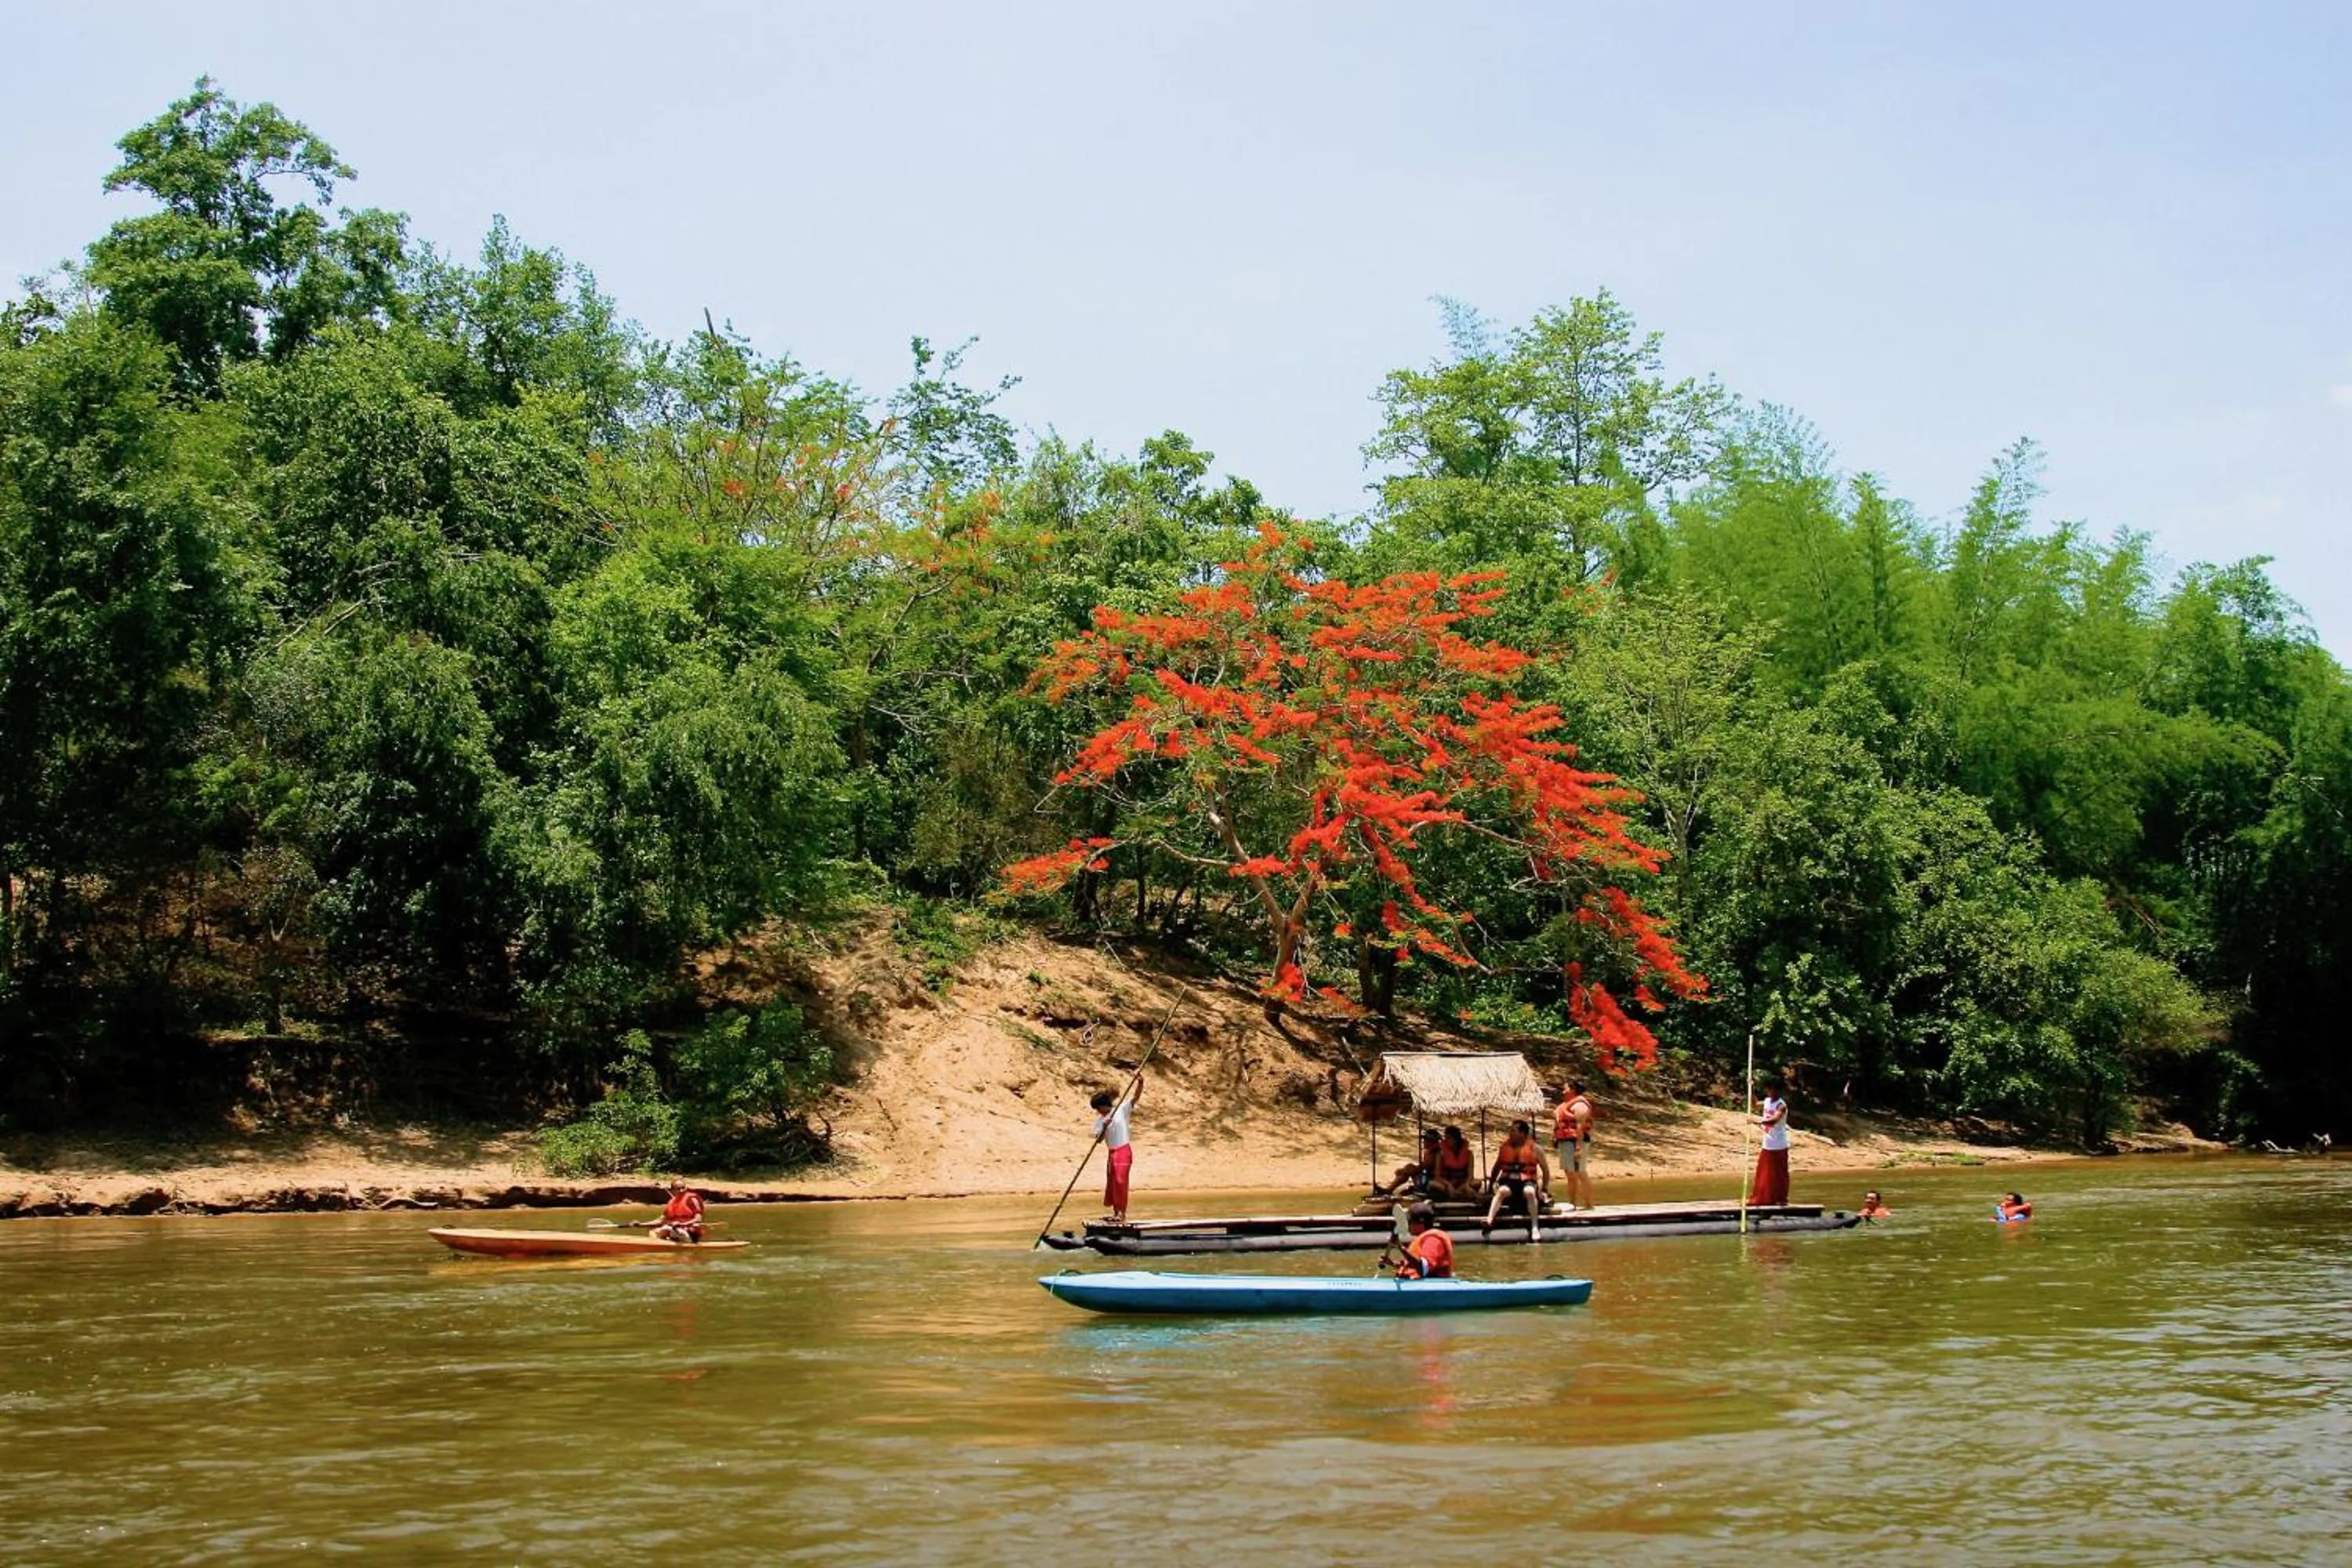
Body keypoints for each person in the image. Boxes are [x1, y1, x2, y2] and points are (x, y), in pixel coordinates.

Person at [1481, 1119, 1552, 1241]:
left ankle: (1535, 1226)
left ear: (1522, 1133)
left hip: (1527, 1181)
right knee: (1502, 1191)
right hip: (1509, 1182)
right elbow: (1497, 1168)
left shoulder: (1536, 1149)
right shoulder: (1504, 1147)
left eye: (1513, 1131)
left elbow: (1545, 1170)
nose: (1510, 1133)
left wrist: (1544, 1189)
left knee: (1530, 1192)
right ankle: (1489, 1220)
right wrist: (1490, 1186)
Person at [1091, 1076, 1142, 1223]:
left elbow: (1135, 1098)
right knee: (1112, 1183)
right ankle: (1116, 1213)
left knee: (1120, 1181)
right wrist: (1104, 1127)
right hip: (1112, 1153)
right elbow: (1099, 1140)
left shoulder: (1120, 1110)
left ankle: (1121, 1214)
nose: (1098, 1111)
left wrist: (1140, 1083)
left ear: (1105, 1105)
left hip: (1123, 1150)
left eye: (1099, 1108)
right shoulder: (1100, 1121)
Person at [1552, 1080, 1597, 1210]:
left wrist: (1578, 1147)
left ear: (1572, 1090)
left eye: (1565, 1088)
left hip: (1575, 1142)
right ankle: (1572, 1204)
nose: (1563, 1090)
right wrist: (1554, 1137)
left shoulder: (1580, 1106)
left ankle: (1589, 1205)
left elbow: (1580, 1127)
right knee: (1570, 1173)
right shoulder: (1564, 1105)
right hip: (1565, 1141)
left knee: (1580, 1172)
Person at [1747, 1084, 1791, 1207]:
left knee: (1779, 1174)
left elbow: (1774, 1120)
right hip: (1767, 1143)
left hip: (1779, 1144)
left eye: (1771, 1089)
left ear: (1777, 1090)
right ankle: (1764, 1198)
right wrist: (1751, 1089)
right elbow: (1755, 1105)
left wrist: (1756, 1121)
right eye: (1768, 1089)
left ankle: (1780, 1198)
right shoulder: (1767, 1101)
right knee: (1764, 1173)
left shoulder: (1781, 1106)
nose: (1769, 1091)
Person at [1389, 1200, 1456, 1280]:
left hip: (1430, 1285)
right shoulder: (1425, 1238)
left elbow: (1424, 1269)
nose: (1407, 1225)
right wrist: (1392, 1263)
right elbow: (1416, 1266)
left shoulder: (1433, 1240)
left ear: (1421, 1222)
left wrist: (1401, 1248)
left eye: (1410, 1222)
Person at [1377, 1128, 1443, 1197]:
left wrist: (1406, 1170)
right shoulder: (1431, 1151)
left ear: (1431, 1141)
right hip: (1426, 1176)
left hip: (1430, 1179)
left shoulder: (1435, 1153)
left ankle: (1389, 1190)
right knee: (1407, 1170)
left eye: (1426, 1140)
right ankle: (1389, 1190)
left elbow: (1424, 1166)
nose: (1424, 1142)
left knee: (1408, 1168)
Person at [1431, 1125, 1478, 1199]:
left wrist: (1466, 1185)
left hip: (1462, 1184)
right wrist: (1449, 1185)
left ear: (1456, 1140)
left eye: (1448, 1138)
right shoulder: (1441, 1154)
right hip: (1447, 1183)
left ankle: (1458, 1192)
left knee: (1477, 1183)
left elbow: (1470, 1175)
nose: (1445, 1141)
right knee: (1433, 1183)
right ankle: (1457, 1194)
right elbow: (1437, 1176)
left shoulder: (1469, 1154)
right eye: (1445, 1138)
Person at [653, 1178, 706, 1243]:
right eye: (678, 1189)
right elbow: (660, 1221)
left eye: (683, 1188)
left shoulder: (692, 1198)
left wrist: (682, 1224)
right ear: (673, 1191)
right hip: (676, 1230)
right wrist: (642, 1225)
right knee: (655, 1232)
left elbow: (698, 1219)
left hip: (690, 1232)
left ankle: (687, 1245)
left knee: (676, 1232)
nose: (681, 1190)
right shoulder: (672, 1202)